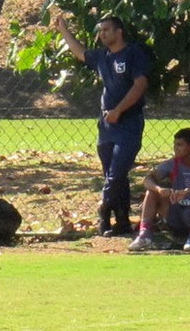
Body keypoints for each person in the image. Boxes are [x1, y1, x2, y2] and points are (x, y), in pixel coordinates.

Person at [54, 15, 149, 237]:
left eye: (107, 30)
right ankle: (122, 221)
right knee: (113, 175)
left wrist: (119, 110)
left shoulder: (133, 53)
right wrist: (64, 30)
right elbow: (80, 53)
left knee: (116, 173)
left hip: (129, 123)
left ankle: (103, 212)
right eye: (100, 30)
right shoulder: (102, 57)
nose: (102, 34)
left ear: (119, 32)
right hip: (107, 125)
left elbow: (140, 84)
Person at [127, 128, 190, 252]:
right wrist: (159, 189)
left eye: (180, 145)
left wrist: (188, 191)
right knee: (151, 192)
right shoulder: (172, 163)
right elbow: (148, 179)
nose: (175, 148)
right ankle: (144, 235)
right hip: (175, 212)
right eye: (175, 145)